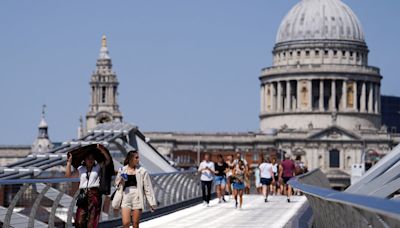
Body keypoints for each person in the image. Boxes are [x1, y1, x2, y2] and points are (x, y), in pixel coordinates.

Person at [65, 144, 111, 228]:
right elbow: (68, 176)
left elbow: (107, 161)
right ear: (84, 160)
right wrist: (69, 163)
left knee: (92, 221)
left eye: (92, 158)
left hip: (95, 194)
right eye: (88, 158)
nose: (90, 160)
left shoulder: (97, 167)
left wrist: (102, 150)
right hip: (83, 195)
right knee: (79, 221)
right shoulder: (80, 169)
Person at [115, 150, 157, 228]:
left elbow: (147, 187)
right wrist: (120, 181)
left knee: (135, 223)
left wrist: (151, 203)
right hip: (126, 196)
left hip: (137, 197)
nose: (138, 160)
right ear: (131, 158)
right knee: (126, 223)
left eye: (138, 158)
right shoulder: (122, 170)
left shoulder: (142, 171)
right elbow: (116, 185)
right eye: (136, 158)